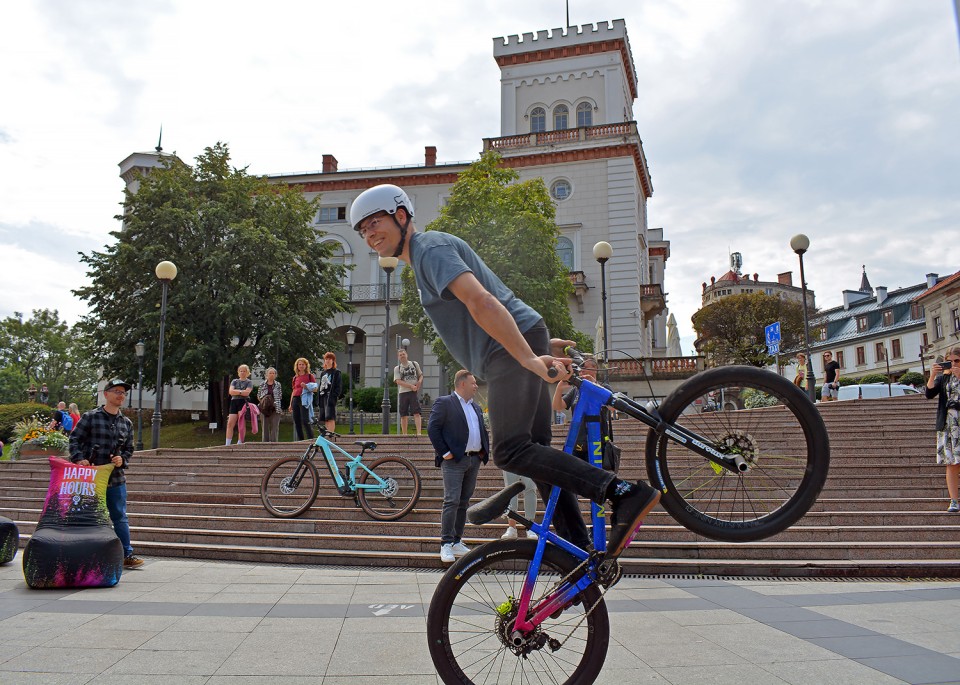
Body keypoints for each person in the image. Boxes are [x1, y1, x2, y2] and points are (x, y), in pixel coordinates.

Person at [352, 184, 659, 559]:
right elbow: (496, 294)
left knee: (511, 451)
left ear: (401, 216)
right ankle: (580, 552)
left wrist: (528, 357)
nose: (369, 234)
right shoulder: (428, 254)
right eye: (362, 229)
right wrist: (538, 346)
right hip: (516, 342)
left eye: (374, 222)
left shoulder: (428, 250)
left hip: (506, 352)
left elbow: (482, 301)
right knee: (537, 452)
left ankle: (621, 492)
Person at [69, 379, 144, 568]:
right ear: (106, 394)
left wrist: (122, 460)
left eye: (123, 393)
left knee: (119, 516)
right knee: (88, 516)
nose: (121, 395)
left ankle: (127, 553)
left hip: (116, 479)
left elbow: (129, 448)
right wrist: (79, 458)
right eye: (117, 391)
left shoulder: (126, 422)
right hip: (90, 478)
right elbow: (74, 439)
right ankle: (84, 554)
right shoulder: (91, 417)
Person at [428, 370, 489, 563]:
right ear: (462, 384)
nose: (476, 386)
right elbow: (433, 428)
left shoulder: (476, 407)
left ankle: (456, 540)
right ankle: (445, 544)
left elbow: (480, 430)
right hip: (454, 461)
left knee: (463, 502)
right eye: (473, 383)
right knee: (451, 500)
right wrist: (444, 452)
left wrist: (482, 453)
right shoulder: (445, 403)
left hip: (473, 460)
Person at [926, 347, 960, 513]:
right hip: (947, 426)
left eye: (957, 361)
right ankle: (954, 500)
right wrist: (932, 375)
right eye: (950, 361)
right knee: (952, 464)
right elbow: (929, 393)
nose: (953, 364)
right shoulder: (944, 378)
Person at [394, 348, 424, 436]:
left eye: (403, 354)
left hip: (413, 392)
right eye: (400, 355)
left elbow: (420, 375)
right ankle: (404, 434)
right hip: (403, 393)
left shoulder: (414, 364)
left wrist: (419, 383)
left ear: (406, 355)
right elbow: (398, 381)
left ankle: (419, 433)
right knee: (403, 414)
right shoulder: (397, 368)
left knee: (417, 412)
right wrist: (410, 386)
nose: (402, 356)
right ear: (398, 357)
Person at [225, 364, 253, 445]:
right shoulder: (234, 381)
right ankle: (227, 443)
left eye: (244, 371)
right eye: (241, 371)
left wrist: (237, 392)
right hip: (234, 402)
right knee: (230, 423)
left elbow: (247, 393)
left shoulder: (249, 382)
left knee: (241, 422)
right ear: (238, 372)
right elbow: (231, 392)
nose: (242, 372)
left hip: (243, 402)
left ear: (247, 372)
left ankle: (240, 442)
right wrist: (241, 392)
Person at [289, 358, 316, 441]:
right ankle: (301, 440)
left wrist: (306, 387)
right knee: (296, 421)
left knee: (305, 420)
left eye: (303, 364)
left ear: (306, 366)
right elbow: (293, 391)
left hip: (304, 399)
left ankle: (310, 439)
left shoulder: (309, 376)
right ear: (297, 366)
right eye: (299, 364)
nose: (301, 366)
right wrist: (290, 404)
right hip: (296, 399)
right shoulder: (295, 378)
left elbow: (315, 389)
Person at [317, 352, 342, 434]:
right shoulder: (323, 373)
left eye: (329, 359)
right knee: (325, 417)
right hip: (323, 396)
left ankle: (331, 434)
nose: (327, 361)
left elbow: (338, 386)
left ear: (333, 361)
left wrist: (334, 395)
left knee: (330, 417)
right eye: (326, 359)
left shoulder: (336, 372)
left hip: (330, 397)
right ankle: (327, 434)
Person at [257, 367, 283, 442]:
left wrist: (273, 402)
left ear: (275, 375)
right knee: (265, 427)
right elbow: (258, 395)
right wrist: (264, 402)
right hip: (264, 408)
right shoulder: (262, 384)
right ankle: (265, 444)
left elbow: (280, 395)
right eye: (270, 373)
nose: (271, 375)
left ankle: (274, 444)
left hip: (275, 407)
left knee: (275, 427)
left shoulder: (278, 384)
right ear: (266, 375)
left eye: (273, 373)